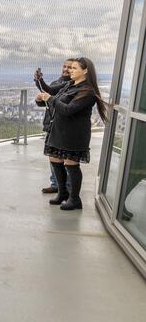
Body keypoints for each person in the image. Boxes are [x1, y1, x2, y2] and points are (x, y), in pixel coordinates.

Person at [37, 57, 108, 210]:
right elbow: (51, 92)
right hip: (60, 130)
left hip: (74, 134)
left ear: (85, 71)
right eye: (71, 68)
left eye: (74, 68)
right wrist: (40, 85)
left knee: (71, 163)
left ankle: (75, 199)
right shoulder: (70, 84)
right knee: (55, 158)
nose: (70, 70)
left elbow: (68, 110)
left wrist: (50, 99)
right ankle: (63, 193)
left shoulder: (87, 91)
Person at [34, 59, 74, 194]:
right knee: (53, 156)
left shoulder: (73, 86)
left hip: (64, 126)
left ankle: (67, 187)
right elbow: (48, 101)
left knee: (66, 158)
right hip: (51, 124)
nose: (66, 69)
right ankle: (56, 183)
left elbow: (57, 101)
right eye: (64, 66)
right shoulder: (57, 84)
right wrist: (39, 99)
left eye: (70, 67)